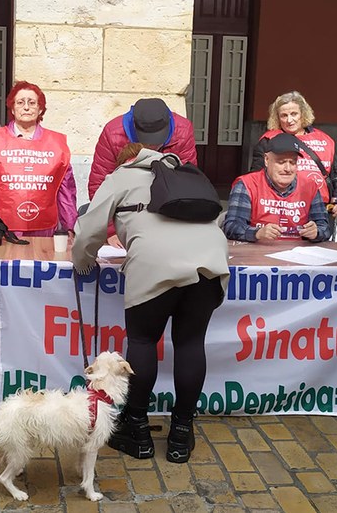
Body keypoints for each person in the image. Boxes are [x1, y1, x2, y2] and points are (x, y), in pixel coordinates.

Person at [72, 143, 229, 464]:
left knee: (143, 340)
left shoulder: (121, 176)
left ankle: (137, 431)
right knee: (190, 342)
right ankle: (182, 435)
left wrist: (82, 262)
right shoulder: (185, 173)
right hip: (211, 263)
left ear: (124, 161)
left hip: (155, 264)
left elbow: (88, 230)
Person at [0, 80, 77, 239]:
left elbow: (66, 191)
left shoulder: (56, 145)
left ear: (40, 108)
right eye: (20, 102)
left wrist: (70, 226)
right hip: (1, 230)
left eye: (32, 103)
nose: (26, 107)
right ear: (12, 108)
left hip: (43, 232)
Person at [88, 98, 198, 247]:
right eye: (147, 141)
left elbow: (189, 183)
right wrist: (111, 232)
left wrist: (179, 228)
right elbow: (99, 187)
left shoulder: (183, 130)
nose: (152, 147)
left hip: (168, 214)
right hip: (126, 214)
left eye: (157, 141)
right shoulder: (113, 133)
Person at [251, 91, 337, 220]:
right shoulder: (268, 141)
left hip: (319, 209)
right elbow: (255, 178)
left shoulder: (325, 140)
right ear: (277, 118)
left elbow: (336, 175)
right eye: (284, 115)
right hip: (282, 208)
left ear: (303, 114)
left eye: (294, 114)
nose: (289, 120)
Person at [224, 133, 331, 243]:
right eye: (281, 162)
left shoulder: (309, 186)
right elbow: (231, 227)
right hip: (257, 253)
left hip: (297, 253)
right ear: (266, 160)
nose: (288, 168)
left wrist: (316, 232)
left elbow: (325, 229)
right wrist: (257, 233)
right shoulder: (247, 184)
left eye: (293, 162)